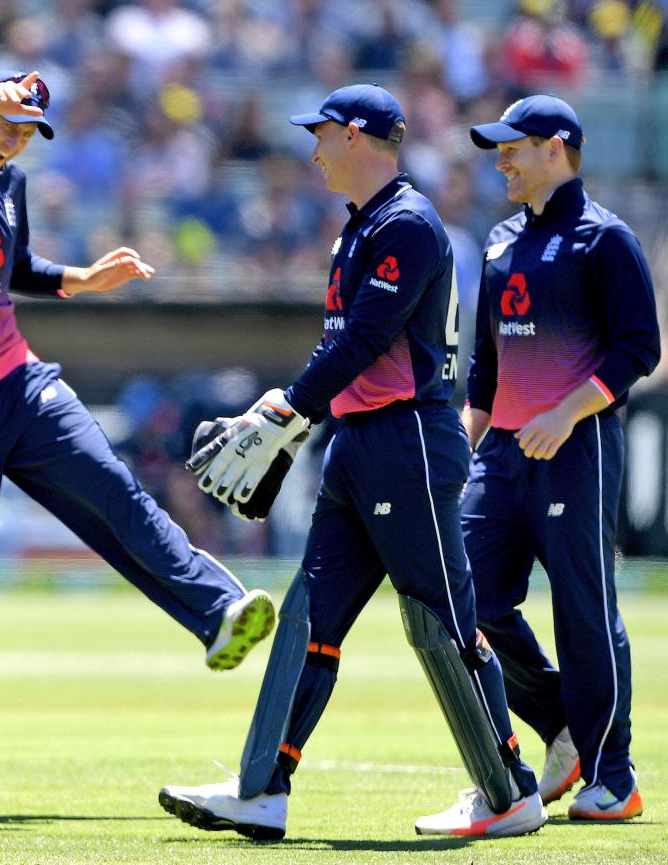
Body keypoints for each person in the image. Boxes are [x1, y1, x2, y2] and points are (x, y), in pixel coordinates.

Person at [0, 69, 276, 818]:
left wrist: (81, 280)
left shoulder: (11, 184)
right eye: (6, 124)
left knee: (113, 488)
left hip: (16, 383)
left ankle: (218, 609)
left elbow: (12, 268)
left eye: (28, 131)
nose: (15, 139)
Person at [159, 84, 546, 839]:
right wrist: (297, 414)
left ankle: (510, 791)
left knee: (441, 623)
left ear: (359, 137)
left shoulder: (408, 224)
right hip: (360, 441)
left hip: (407, 443)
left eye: (323, 134)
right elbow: (344, 344)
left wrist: (288, 407)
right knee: (311, 616)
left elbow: (365, 340)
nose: (312, 148)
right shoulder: (361, 228)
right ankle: (260, 788)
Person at [462, 95, 658, 820]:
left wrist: (566, 412)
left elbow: (639, 347)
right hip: (503, 456)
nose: (501, 159)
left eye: (513, 146)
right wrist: (467, 439)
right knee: (464, 603)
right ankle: (561, 725)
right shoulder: (499, 241)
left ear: (557, 147)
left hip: (579, 448)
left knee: (584, 608)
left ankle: (616, 773)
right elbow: (486, 364)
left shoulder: (605, 239)